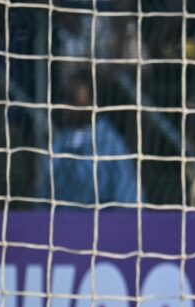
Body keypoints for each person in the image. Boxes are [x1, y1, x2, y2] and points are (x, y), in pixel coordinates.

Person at [41, 71, 141, 206]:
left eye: (72, 99)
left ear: (92, 101)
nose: (65, 106)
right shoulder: (59, 144)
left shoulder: (110, 144)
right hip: (63, 223)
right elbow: (46, 194)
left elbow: (127, 195)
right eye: (64, 98)